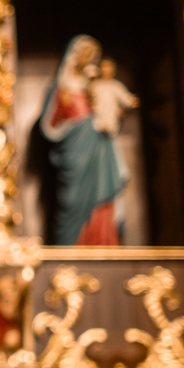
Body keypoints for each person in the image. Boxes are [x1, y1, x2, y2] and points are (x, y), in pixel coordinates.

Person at [38, 35, 128, 245]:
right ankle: (70, 248)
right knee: (72, 200)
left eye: (91, 55)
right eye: (83, 54)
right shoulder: (63, 86)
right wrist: (71, 117)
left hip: (98, 146)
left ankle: (103, 243)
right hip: (75, 148)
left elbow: (110, 109)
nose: (87, 59)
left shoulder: (96, 85)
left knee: (102, 196)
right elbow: (50, 126)